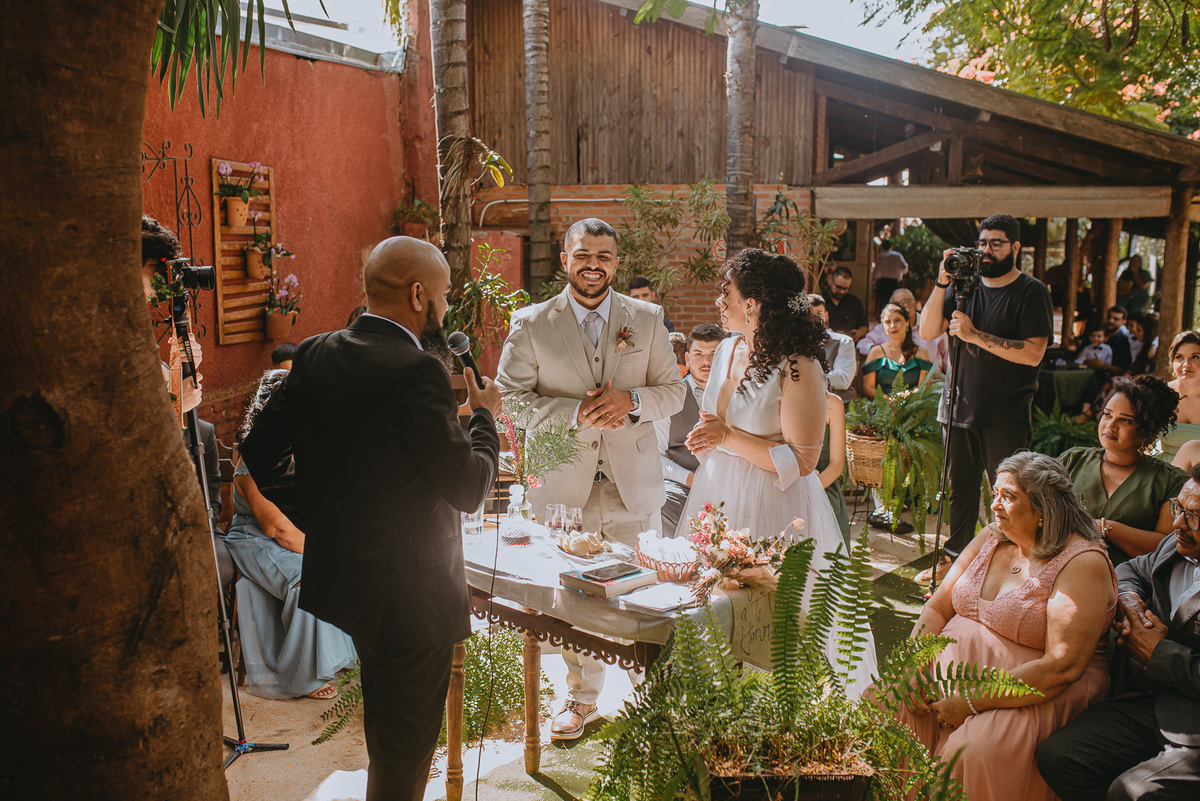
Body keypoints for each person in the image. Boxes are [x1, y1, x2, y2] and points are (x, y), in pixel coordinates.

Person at [240, 236, 502, 800]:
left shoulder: (315, 352)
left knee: (387, 731)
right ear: (417, 294)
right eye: (444, 295)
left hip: (351, 586)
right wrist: (485, 421)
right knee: (405, 753)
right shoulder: (417, 372)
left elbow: (258, 452)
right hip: (414, 599)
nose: (446, 307)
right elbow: (468, 488)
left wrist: (323, 516)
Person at [497, 218, 685, 741]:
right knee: (576, 601)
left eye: (603, 255)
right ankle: (580, 700)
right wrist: (572, 414)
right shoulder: (531, 324)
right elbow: (509, 399)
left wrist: (634, 402)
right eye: (583, 255)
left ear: (616, 262)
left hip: (633, 482)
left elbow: (674, 391)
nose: (594, 264)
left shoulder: (646, 318)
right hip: (562, 488)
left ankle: (653, 701)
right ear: (565, 259)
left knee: (645, 592)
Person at [677, 248, 877, 694]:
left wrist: (725, 438)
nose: (718, 302)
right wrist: (707, 433)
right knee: (711, 610)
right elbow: (720, 415)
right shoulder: (728, 349)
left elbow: (803, 460)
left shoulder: (798, 365)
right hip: (718, 492)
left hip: (775, 503)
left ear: (751, 304)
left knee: (774, 625)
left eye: (724, 293)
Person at [895, 451, 1117, 801]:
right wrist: (911, 664)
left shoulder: (1081, 563)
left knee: (970, 753)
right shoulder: (991, 537)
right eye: (995, 492)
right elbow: (937, 607)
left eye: (1008, 497)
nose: (995, 505)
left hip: (1030, 691)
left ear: (1042, 510)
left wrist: (968, 701)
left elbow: (1063, 666)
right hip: (953, 676)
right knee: (890, 703)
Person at [1036, 464, 1200, 801]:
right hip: (1149, 705)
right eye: (1179, 508)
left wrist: (1158, 654)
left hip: (1194, 725)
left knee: (1132, 793)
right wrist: (1132, 601)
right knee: (1060, 756)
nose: (1178, 523)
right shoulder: (1177, 543)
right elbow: (1131, 569)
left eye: (1195, 516)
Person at [917, 213, 1053, 585]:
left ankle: (1008, 571)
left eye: (996, 243)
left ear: (1015, 247)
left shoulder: (1031, 291)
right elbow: (928, 330)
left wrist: (976, 336)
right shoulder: (964, 287)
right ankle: (956, 566)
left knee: (1010, 498)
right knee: (959, 494)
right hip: (956, 410)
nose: (987, 251)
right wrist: (942, 280)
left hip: (1004, 416)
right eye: (982, 243)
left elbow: (1033, 353)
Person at [224, 370, 357, 699]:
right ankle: (304, 675)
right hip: (255, 539)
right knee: (306, 580)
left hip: (297, 533)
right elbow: (275, 526)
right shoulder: (252, 460)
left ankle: (338, 656)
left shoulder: (302, 449)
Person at [1058, 376, 1186, 566]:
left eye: (1125, 420)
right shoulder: (1073, 460)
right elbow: (1040, 514)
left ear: (1146, 428)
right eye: (1107, 414)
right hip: (1059, 571)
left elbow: (1165, 547)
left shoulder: (1170, 481)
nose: (1110, 426)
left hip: (1132, 586)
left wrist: (1105, 528)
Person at [655, 324, 725, 533]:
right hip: (682, 484)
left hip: (729, 483)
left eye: (714, 354)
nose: (706, 362)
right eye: (698, 354)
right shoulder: (669, 397)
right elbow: (655, 455)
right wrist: (689, 479)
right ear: (686, 358)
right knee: (661, 502)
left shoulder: (739, 396)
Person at [858, 288, 948, 374]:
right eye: (896, 303)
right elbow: (862, 344)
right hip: (897, 379)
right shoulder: (886, 327)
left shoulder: (932, 325)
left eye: (905, 301)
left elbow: (948, 361)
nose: (902, 306)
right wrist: (881, 351)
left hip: (932, 378)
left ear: (915, 302)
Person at [861, 302, 931, 398]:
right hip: (882, 408)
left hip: (913, 406)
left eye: (897, 320)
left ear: (907, 322)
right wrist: (889, 401)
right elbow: (868, 388)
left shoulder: (921, 353)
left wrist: (905, 399)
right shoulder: (876, 352)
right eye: (887, 322)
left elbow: (924, 387)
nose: (892, 325)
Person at [809, 293, 857, 403]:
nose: (814, 319)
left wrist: (808, 379)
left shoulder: (844, 341)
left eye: (818, 314)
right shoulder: (796, 343)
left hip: (842, 402)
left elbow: (843, 379)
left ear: (826, 316)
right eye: (809, 315)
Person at [818, 390, 852, 546]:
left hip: (822, 484)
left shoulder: (832, 403)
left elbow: (837, 462)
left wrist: (810, 490)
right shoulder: (777, 397)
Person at [1162, 331, 1200, 461]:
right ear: (1171, 361)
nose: (1186, 364)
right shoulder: (1160, 394)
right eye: (1179, 357)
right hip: (1163, 471)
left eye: (1195, 357)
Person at [822, 265, 869, 342]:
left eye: (845, 288)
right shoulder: (821, 302)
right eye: (839, 287)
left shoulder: (855, 302)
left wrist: (858, 333)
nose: (842, 292)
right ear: (830, 281)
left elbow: (864, 326)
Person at [1085, 305, 1133, 376]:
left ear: (1123, 322)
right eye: (1109, 317)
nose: (1111, 321)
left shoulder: (1124, 341)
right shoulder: (1095, 332)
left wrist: (1102, 365)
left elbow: (1123, 369)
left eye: (1116, 319)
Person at [872, 237, 908, 316]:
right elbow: (905, 267)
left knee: (882, 301)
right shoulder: (897, 255)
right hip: (894, 282)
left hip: (883, 282)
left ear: (882, 247)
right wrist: (900, 275)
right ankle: (893, 316)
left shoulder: (881, 256)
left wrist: (874, 278)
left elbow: (877, 270)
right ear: (890, 247)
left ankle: (882, 317)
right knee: (894, 300)